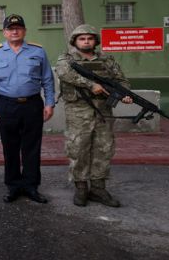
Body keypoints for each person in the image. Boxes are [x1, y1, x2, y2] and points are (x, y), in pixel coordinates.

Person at [0, 14, 55, 204]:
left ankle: (31, 186)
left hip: (32, 104)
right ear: (4, 32)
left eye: (18, 28)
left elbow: (47, 79)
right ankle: (13, 185)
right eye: (10, 28)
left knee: (32, 147)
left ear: (24, 31)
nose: (14, 31)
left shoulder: (38, 52)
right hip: (6, 105)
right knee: (10, 147)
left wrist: (49, 103)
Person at [56, 24, 132, 207]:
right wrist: (91, 85)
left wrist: (124, 94)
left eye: (89, 38)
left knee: (103, 148)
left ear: (95, 41)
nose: (86, 41)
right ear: (75, 41)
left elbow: (121, 80)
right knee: (78, 148)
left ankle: (98, 188)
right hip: (78, 111)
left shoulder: (107, 60)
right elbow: (65, 74)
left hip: (103, 110)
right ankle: (81, 188)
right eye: (82, 38)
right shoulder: (66, 59)